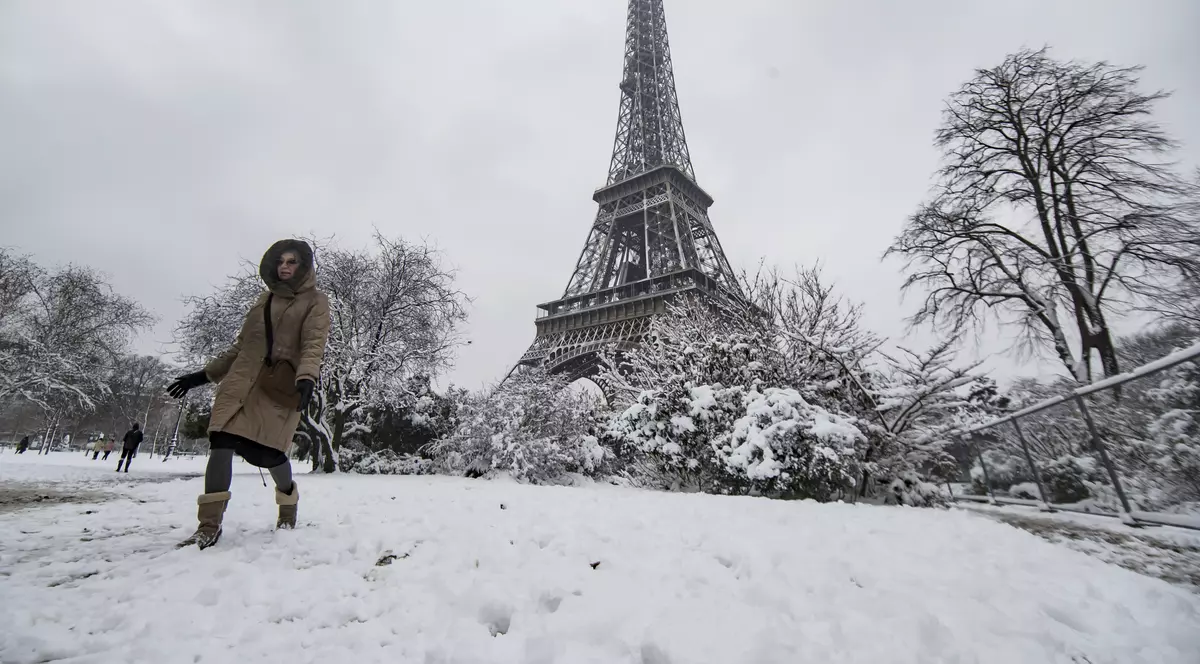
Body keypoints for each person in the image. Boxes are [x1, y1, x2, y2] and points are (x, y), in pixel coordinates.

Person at [166, 239, 330, 550]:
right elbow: (241, 347)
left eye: (292, 261)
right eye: (280, 261)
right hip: (240, 384)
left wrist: (307, 377)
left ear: (304, 267)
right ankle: (208, 527)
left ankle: (287, 505)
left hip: (278, 387)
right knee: (221, 441)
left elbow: (314, 342)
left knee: (271, 454)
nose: (284, 266)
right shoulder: (263, 300)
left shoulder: (315, 301)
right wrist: (203, 375)